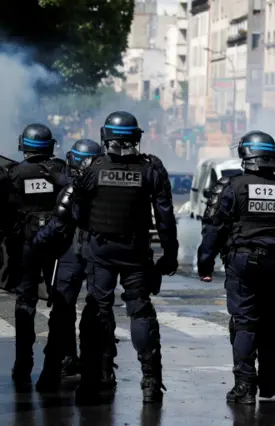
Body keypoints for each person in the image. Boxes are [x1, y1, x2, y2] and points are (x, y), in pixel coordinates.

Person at [197, 131, 275, 404]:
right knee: (272, 326)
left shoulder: (232, 186)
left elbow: (215, 229)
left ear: (245, 156)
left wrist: (205, 263)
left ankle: (244, 387)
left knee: (246, 325)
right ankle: (269, 385)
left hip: (244, 263)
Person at [72, 111, 178, 404]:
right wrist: (170, 255)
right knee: (141, 312)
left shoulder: (92, 168)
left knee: (98, 310)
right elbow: (165, 217)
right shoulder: (151, 168)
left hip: (101, 250)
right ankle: (150, 382)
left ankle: (95, 378)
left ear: (105, 136)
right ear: (136, 137)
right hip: (135, 252)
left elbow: (78, 212)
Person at [32, 139, 102, 392]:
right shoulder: (107, 184)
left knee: (62, 311)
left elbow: (57, 225)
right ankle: (100, 372)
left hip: (72, 253)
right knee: (99, 313)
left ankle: (52, 370)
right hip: (100, 254)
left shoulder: (72, 190)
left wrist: (36, 247)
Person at [9, 123, 67, 391]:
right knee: (63, 305)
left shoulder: (15, 174)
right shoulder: (62, 172)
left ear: (24, 145)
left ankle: (23, 364)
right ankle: (62, 361)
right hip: (59, 246)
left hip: (27, 248)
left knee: (25, 304)